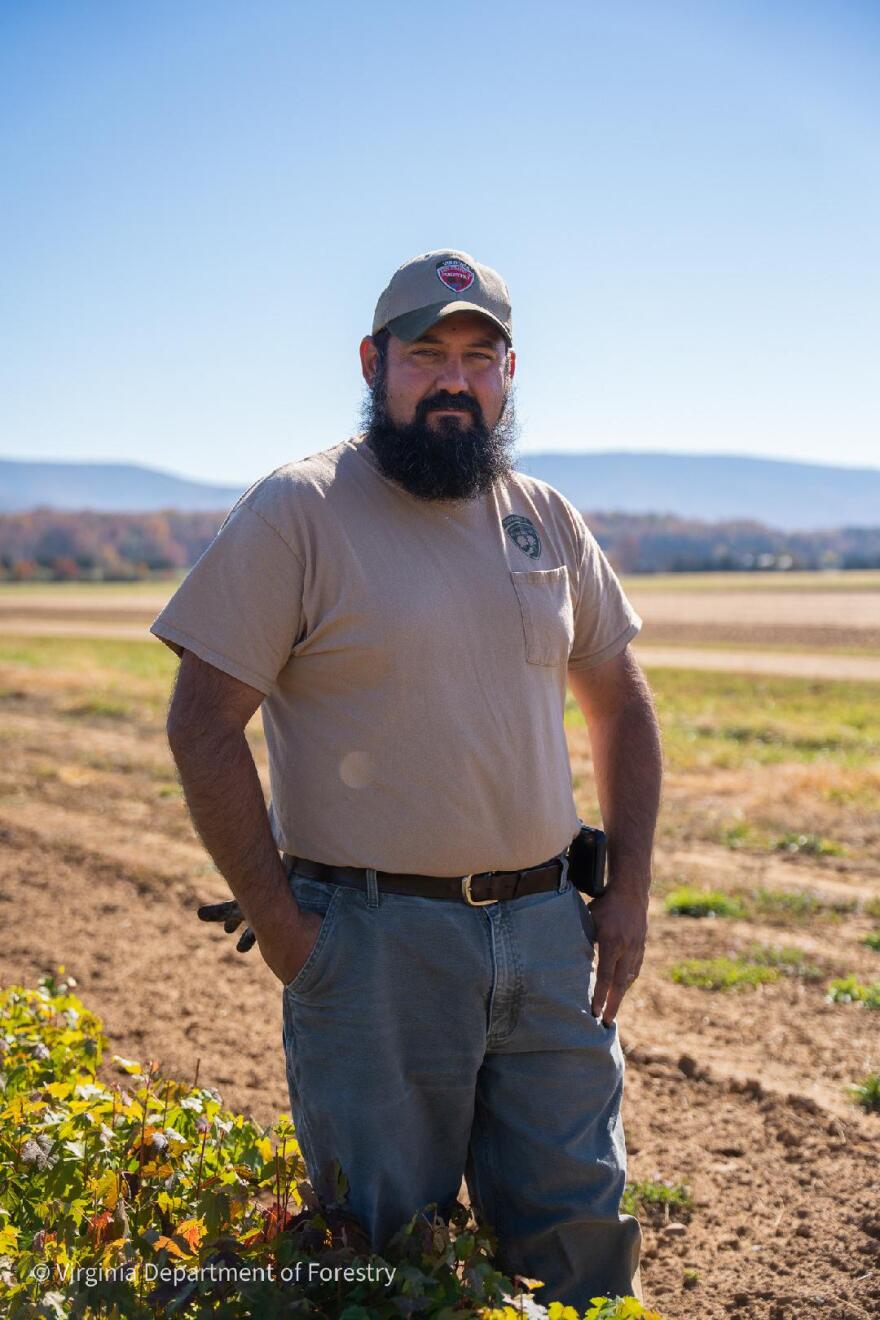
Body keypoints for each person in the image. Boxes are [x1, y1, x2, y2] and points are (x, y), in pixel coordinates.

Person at [150, 248, 662, 1310]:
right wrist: (287, 926)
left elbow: (622, 703)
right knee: (383, 1256)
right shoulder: (298, 510)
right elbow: (202, 727)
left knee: (580, 1238)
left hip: (545, 936)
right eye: (427, 353)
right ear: (374, 361)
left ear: (508, 374)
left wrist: (628, 895)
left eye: (479, 357)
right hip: (374, 948)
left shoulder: (544, 517)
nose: (454, 379)